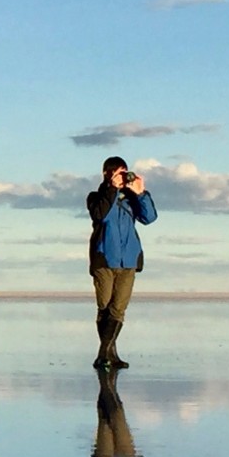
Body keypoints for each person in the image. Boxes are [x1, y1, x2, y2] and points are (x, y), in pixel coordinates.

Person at [86, 156, 156, 368]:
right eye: (117, 173)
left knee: (118, 308)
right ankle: (108, 353)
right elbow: (101, 215)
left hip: (129, 260)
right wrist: (112, 189)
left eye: (124, 172)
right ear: (107, 174)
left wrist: (141, 193)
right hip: (104, 259)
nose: (122, 177)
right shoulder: (95, 197)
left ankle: (105, 353)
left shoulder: (132, 198)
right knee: (104, 305)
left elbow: (150, 218)